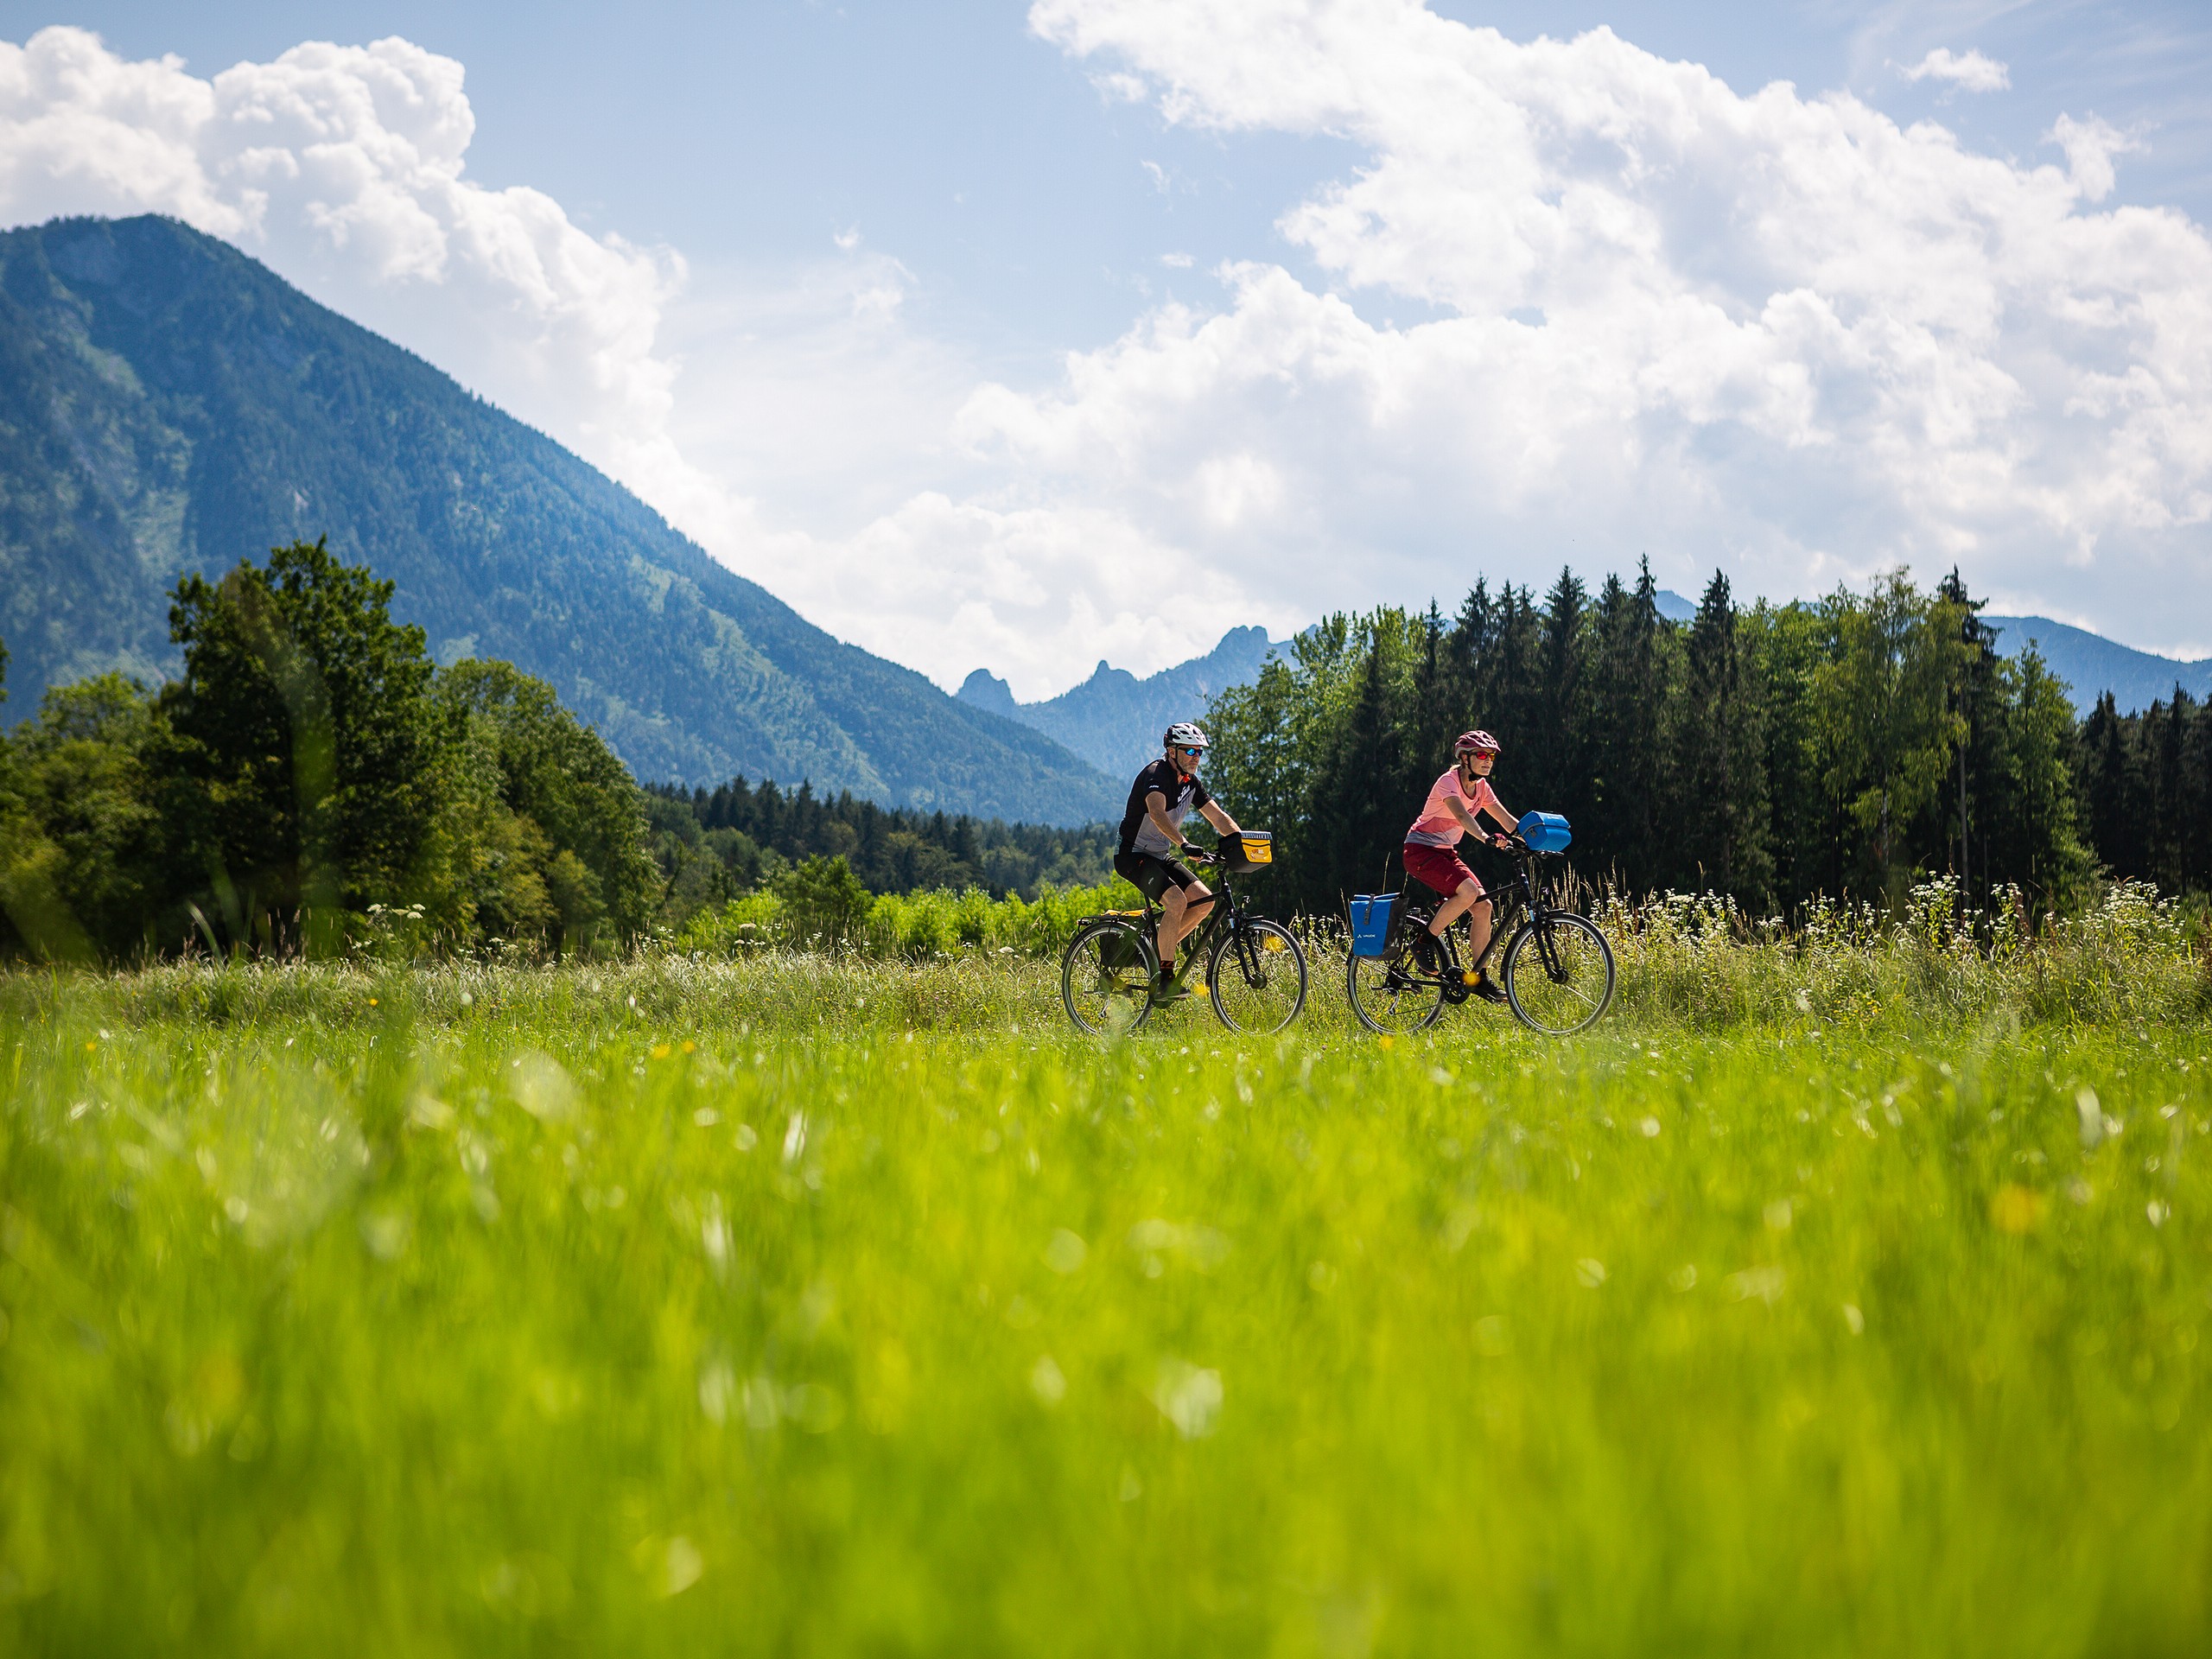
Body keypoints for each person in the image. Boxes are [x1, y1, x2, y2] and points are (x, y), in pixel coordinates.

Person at [1116, 722, 1243, 1004]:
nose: (1196, 756)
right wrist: (1184, 843)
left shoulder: (1190, 783)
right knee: (1176, 902)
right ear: (1172, 751)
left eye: (1199, 751)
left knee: (1205, 900)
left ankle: (1156, 948)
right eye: (1190, 750)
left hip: (1159, 855)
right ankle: (1164, 977)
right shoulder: (1156, 775)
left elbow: (1218, 818)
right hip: (1132, 855)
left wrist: (1242, 844)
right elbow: (1157, 813)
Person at [1402, 729, 1520, 1003]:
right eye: (1482, 754)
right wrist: (1487, 839)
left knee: (1483, 907)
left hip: (1444, 852)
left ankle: (1478, 977)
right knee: (1467, 893)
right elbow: (1463, 817)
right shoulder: (1448, 782)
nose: (1488, 760)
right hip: (1420, 850)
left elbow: (1509, 822)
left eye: (1491, 756)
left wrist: (1535, 839)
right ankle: (1423, 942)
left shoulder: (1482, 788)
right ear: (1464, 758)